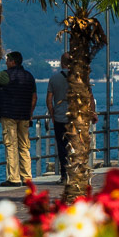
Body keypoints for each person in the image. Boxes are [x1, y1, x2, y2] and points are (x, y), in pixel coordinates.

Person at [0, 51, 37, 184]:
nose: (6, 63)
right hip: (25, 115)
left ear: (13, 62)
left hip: (9, 114)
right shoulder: (29, 76)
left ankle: (13, 178)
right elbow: (34, 97)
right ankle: (27, 177)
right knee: (24, 146)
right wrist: (30, 113)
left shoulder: (5, 75)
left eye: (7, 60)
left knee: (11, 145)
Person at [48, 53, 71, 185]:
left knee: (62, 147)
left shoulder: (54, 79)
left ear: (61, 63)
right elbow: (89, 96)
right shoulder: (79, 78)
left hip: (59, 118)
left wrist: (52, 114)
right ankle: (76, 174)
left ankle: (64, 175)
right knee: (76, 145)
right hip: (75, 118)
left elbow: (49, 99)